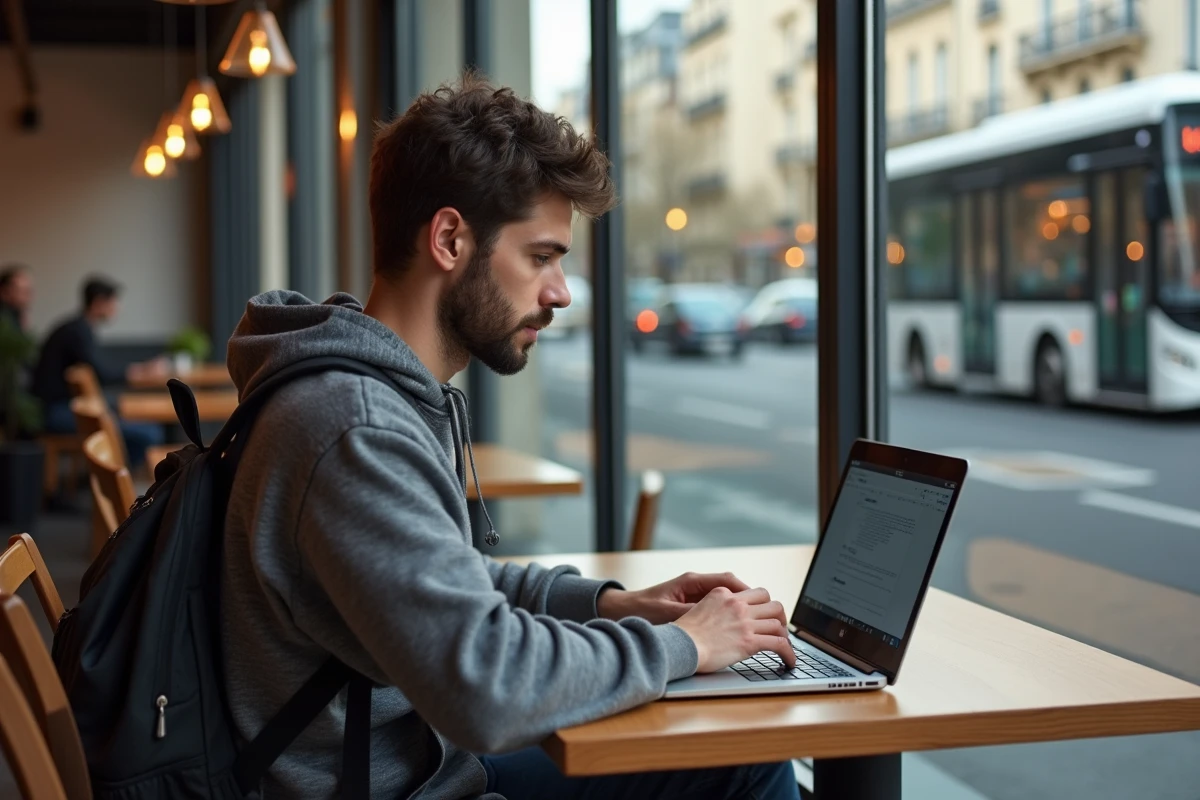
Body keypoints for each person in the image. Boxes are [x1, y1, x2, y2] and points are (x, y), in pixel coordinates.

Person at [222, 74, 800, 800]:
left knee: (732, 749)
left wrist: (614, 606)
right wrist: (686, 643)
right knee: (747, 759)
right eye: (542, 256)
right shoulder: (354, 426)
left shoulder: (363, 394)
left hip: (404, 755)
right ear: (450, 239)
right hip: (395, 783)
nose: (560, 291)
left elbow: (446, 584)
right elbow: (487, 688)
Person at [32, 276, 166, 468]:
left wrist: (140, 370)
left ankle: (113, 479)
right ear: (99, 303)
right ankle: (117, 482)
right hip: (56, 412)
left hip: (63, 407)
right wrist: (141, 371)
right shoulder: (78, 332)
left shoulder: (78, 328)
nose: (117, 308)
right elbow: (101, 373)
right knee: (149, 432)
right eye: (113, 302)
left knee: (137, 421)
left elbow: (100, 370)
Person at [0, 263, 34, 334]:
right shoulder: (5, 320)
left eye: (28, 291)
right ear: (4, 291)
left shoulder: (18, 316)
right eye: (21, 291)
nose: (27, 296)